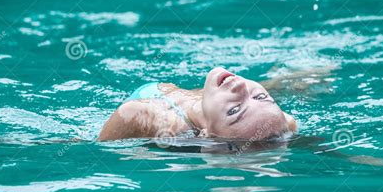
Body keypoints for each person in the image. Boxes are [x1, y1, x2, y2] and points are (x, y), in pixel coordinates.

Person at [98, 67, 297, 141]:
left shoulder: (141, 114)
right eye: (261, 98)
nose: (241, 87)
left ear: (206, 134)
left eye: (235, 111)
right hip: (205, 97)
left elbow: (96, 151)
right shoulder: (284, 123)